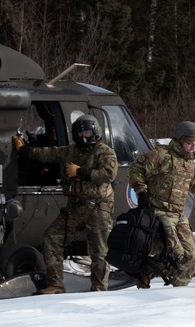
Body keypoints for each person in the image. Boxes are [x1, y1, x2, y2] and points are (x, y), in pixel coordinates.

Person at [13, 114, 118, 293]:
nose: (83, 136)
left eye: (86, 132)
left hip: (98, 208)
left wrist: (82, 172)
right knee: (52, 237)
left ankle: (99, 289)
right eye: (79, 133)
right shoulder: (71, 151)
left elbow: (109, 174)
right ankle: (56, 284)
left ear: (95, 132)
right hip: (76, 207)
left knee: (99, 252)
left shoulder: (104, 152)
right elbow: (49, 153)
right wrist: (25, 151)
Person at [127, 121, 195, 287]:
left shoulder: (189, 163)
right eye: (189, 143)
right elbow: (135, 169)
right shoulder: (160, 155)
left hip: (178, 214)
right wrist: (141, 192)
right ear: (179, 139)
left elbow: (190, 183)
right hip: (159, 211)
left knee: (191, 256)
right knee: (175, 253)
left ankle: (177, 292)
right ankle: (146, 273)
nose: (193, 147)